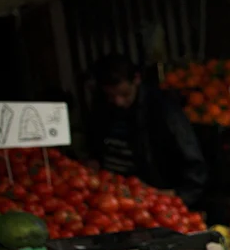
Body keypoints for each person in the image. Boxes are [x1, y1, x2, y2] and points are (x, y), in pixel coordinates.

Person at [88, 54, 208, 208]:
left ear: (136, 80)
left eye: (125, 94)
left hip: (153, 197)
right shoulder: (101, 106)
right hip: (113, 195)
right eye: (111, 96)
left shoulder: (162, 108)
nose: (119, 102)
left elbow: (192, 157)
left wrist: (181, 194)